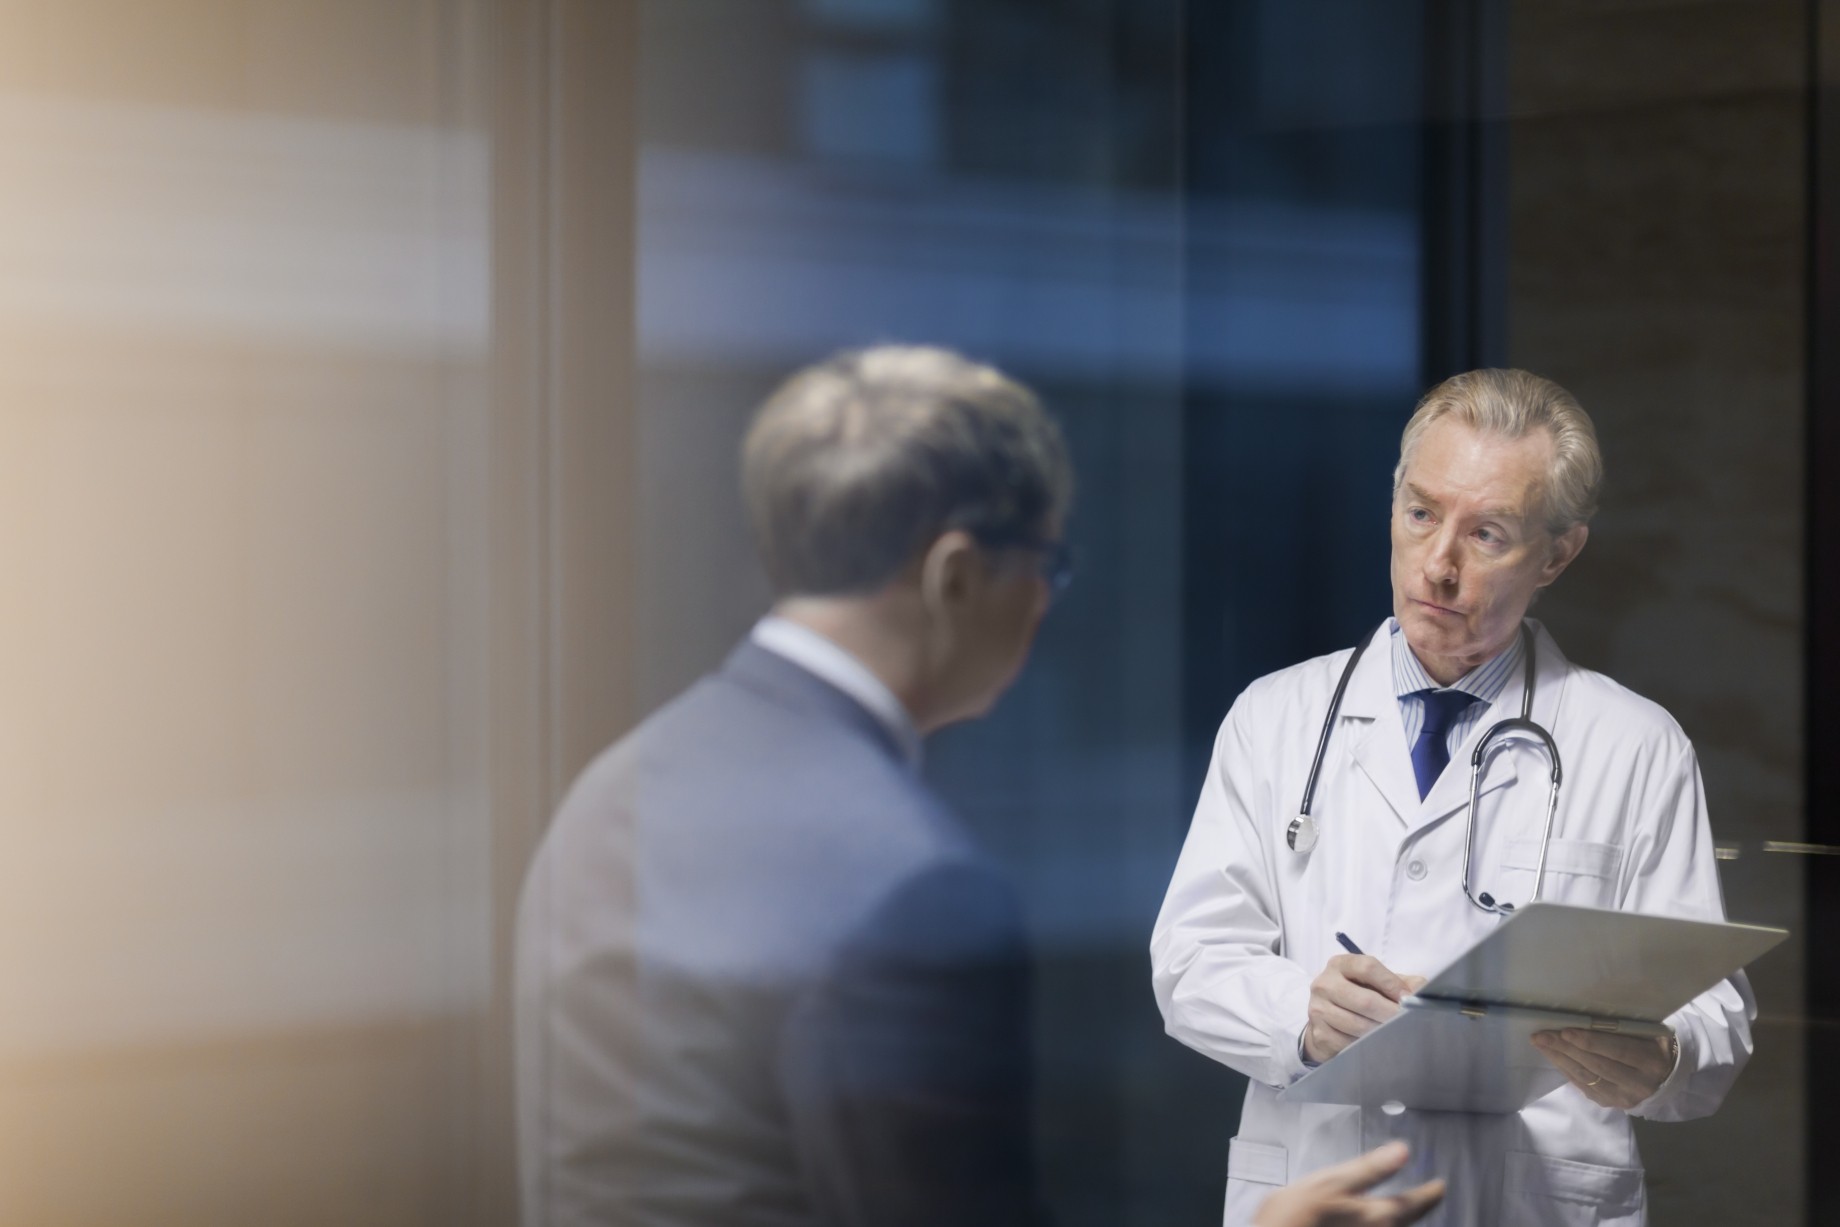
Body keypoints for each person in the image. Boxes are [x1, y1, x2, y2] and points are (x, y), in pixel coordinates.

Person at [1150, 369, 1754, 1225]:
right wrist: (1302, 1015)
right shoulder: (1273, 717)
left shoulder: (1636, 746)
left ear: (1558, 552)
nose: (1439, 565)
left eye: (1489, 533)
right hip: (1319, 1189)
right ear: (1392, 502)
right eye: (1422, 513)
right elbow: (1188, 963)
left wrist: (1665, 1056)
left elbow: (1714, 1012)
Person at [514, 345, 1072, 1226]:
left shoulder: (609, 791)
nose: (1045, 596)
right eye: (1046, 560)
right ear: (955, 575)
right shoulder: (919, 886)